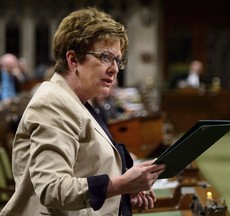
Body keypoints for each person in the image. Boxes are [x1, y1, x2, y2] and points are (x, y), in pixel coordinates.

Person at [0, 7, 165, 216]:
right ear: (73, 60)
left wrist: (121, 194)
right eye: (106, 57)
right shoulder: (53, 103)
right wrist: (119, 185)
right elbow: (52, 189)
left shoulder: (76, 101)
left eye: (118, 60)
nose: (115, 69)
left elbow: (85, 170)